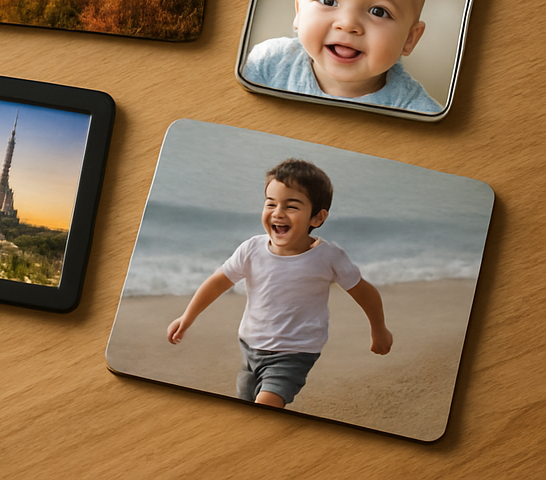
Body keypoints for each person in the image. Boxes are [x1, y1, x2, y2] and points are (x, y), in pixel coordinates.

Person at [167, 158, 391, 408]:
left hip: (295, 352)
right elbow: (218, 282)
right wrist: (187, 318)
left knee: (265, 406)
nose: (277, 212)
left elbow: (364, 292)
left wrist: (378, 329)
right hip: (250, 346)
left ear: (317, 217)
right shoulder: (251, 249)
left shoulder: (327, 257)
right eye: (270, 203)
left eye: (291, 206)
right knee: (245, 405)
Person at [243, 0, 441, 112]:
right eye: (328, 0)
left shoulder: (417, 110)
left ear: (409, 39)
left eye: (378, 11)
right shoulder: (267, 64)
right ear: (299, 11)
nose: (347, 24)